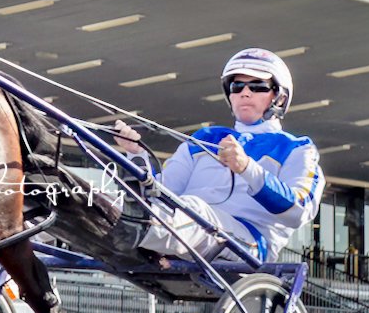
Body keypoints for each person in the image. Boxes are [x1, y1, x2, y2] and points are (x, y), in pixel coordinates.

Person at [108, 48, 324, 263]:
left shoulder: (297, 149)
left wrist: (247, 168)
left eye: (257, 86)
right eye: (237, 86)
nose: (245, 93)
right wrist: (136, 154)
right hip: (189, 227)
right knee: (111, 202)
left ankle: (130, 227)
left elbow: (299, 211)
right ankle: (116, 222)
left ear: (280, 97)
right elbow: (163, 192)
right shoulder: (204, 138)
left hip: (249, 244)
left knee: (195, 210)